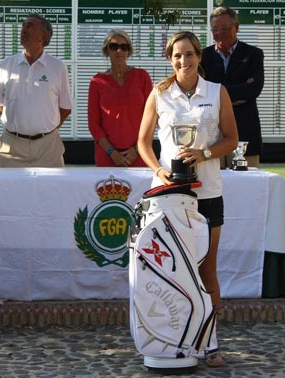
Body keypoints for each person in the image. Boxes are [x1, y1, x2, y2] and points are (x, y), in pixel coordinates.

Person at [137, 31, 238, 367]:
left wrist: (204, 152)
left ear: (199, 56)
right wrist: (158, 169)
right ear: (171, 59)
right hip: (168, 196)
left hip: (207, 192)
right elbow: (142, 142)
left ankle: (211, 343)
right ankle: (172, 340)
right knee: (171, 269)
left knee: (207, 269)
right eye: (177, 56)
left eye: (189, 54)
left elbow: (232, 139)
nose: (184, 61)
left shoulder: (217, 92)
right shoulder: (159, 93)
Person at [0, 14, 72, 167]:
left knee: (51, 190)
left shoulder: (58, 67)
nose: (24, 29)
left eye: (30, 26)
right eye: (23, 26)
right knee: (5, 190)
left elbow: (65, 108)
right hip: (11, 147)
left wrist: (45, 130)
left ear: (43, 36)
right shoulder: (7, 64)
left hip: (48, 147)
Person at [201, 6, 264, 168]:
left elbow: (254, 89)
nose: (219, 33)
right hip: (213, 135)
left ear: (237, 27)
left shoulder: (253, 54)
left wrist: (217, 94)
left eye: (225, 28)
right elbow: (201, 91)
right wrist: (239, 90)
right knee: (213, 186)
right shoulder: (202, 57)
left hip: (245, 131)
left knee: (249, 186)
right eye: (215, 29)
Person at [88, 29, 152, 167]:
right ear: (107, 51)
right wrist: (112, 152)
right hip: (107, 156)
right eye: (114, 46)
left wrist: (137, 149)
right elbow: (93, 124)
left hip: (139, 154)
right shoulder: (97, 81)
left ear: (129, 51)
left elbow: (152, 117)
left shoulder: (142, 77)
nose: (119, 51)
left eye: (124, 47)